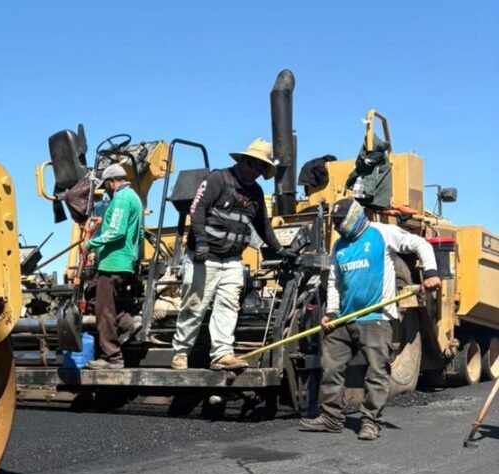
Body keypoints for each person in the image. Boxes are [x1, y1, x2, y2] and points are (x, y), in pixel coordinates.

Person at [299, 198, 441, 440]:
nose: (337, 227)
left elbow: (421, 244)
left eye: (340, 222)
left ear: (354, 217)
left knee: (376, 371)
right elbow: (334, 281)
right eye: (334, 223)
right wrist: (332, 312)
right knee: (331, 367)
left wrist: (430, 273)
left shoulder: (381, 233)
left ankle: (370, 420)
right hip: (344, 318)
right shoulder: (339, 246)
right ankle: (331, 417)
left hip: (376, 316)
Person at [171, 139, 297, 371]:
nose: (256, 172)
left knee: (228, 305)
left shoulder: (255, 192)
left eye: (261, 168)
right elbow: (197, 210)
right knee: (195, 305)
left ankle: (222, 354)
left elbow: (263, 226)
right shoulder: (218, 179)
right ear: (242, 161)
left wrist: (279, 249)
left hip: (231, 260)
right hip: (204, 257)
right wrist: (200, 244)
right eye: (253, 165)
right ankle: (180, 352)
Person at [82, 164, 144, 370]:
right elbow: (139, 233)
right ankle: (131, 323)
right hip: (125, 261)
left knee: (103, 311)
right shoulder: (135, 198)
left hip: (113, 262)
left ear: (111, 182)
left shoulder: (121, 198)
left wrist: (90, 243)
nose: (106, 190)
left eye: (105, 185)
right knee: (111, 306)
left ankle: (112, 357)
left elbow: (116, 231)